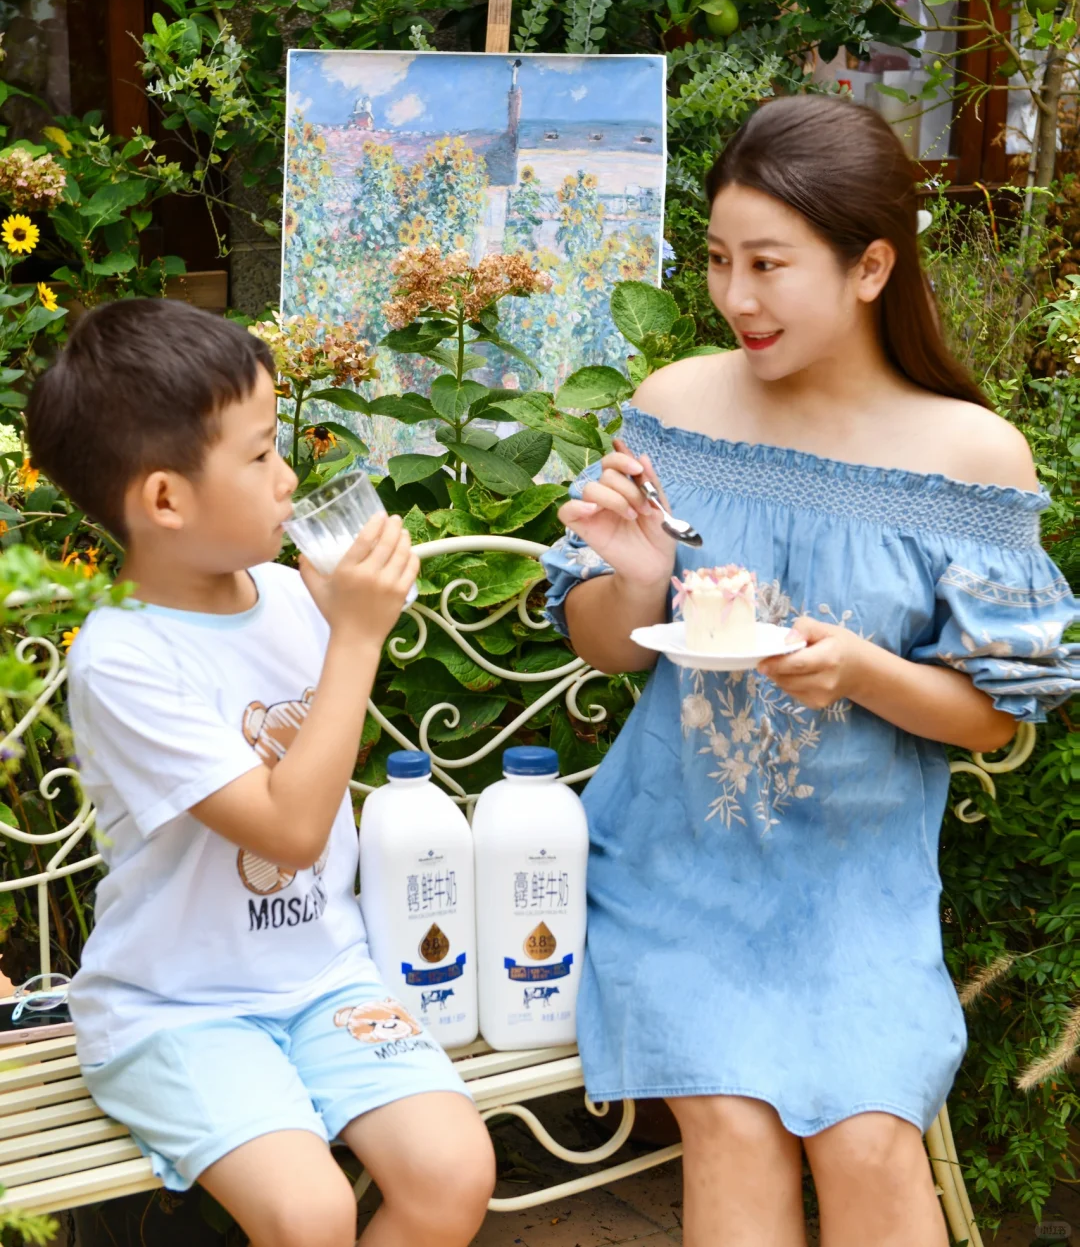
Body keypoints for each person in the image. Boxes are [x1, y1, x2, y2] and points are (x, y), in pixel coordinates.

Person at [541, 95, 1080, 1247]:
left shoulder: (966, 455)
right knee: (732, 1125)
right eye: (721, 260)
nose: (737, 297)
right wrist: (634, 578)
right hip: (674, 862)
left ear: (872, 264)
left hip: (858, 888)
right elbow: (600, 639)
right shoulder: (679, 409)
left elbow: (991, 723)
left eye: (771, 264)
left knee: (871, 1142)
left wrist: (863, 671)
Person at [26, 299, 495, 1247]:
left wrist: (336, 627)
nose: (288, 478)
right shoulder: (124, 657)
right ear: (165, 499)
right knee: (312, 1211)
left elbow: (320, 770)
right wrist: (357, 639)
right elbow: (289, 829)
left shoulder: (290, 594)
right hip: (177, 1009)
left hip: (323, 976)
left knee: (454, 1171)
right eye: (258, 454)